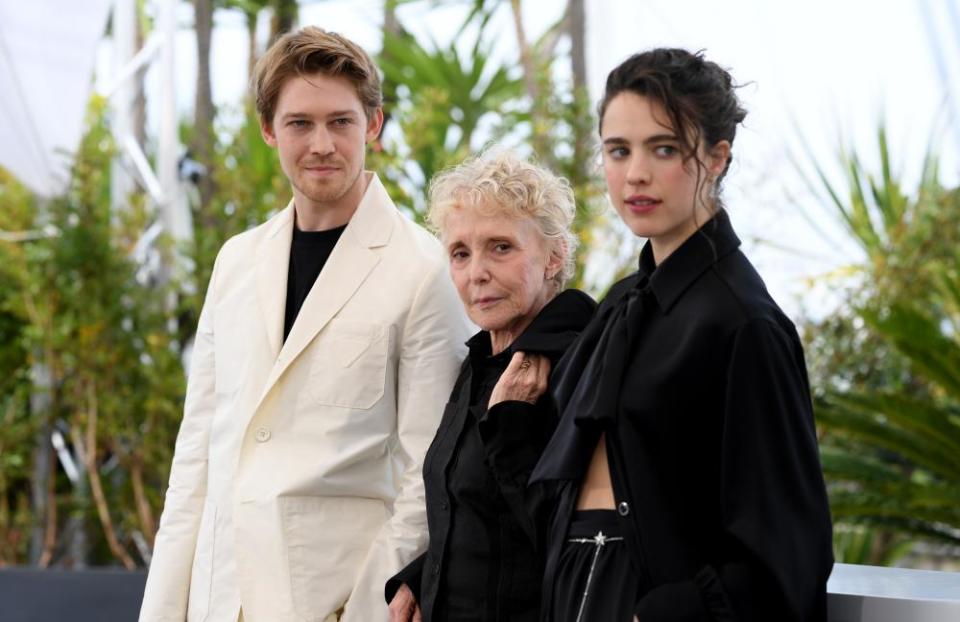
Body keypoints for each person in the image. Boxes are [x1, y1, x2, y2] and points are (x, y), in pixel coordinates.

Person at [138, 27, 472, 622]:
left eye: (340, 121)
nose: (322, 144)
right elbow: (196, 457)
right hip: (220, 598)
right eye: (299, 123)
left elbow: (428, 472)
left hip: (334, 600)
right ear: (269, 130)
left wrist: (370, 606)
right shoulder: (236, 260)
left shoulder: (423, 269)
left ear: (373, 125)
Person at [530, 48, 834, 621]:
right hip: (573, 591)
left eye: (663, 148)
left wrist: (662, 614)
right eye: (618, 150)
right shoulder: (620, 305)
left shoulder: (744, 322)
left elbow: (789, 547)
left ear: (717, 157)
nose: (635, 174)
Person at [384, 151, 596, 622]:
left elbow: (574, 541)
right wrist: (420, 581)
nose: (476, 272)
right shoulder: (482, 361)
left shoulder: (576, 363)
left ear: (554, 255)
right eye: (460, 253)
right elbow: (478, 517)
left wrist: (512, 424)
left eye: (501, 247)